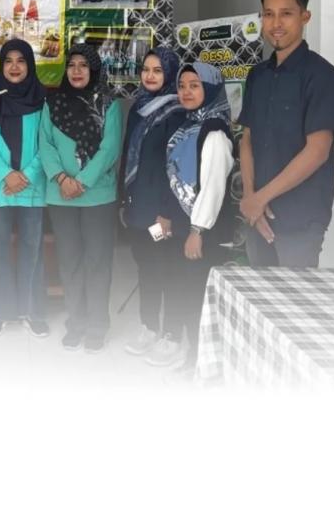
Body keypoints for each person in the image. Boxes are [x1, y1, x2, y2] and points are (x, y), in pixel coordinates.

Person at [239, 0, 334, 269]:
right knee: (256, 295)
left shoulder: (321, 75)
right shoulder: (257, 76)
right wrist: (250, 196)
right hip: (257, 215)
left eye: (286, 14)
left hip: (300, 219)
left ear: (305, 17)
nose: (276, 23)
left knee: (294, 298)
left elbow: (317, 151)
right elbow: (247, 139)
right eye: (268, 14)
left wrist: (261, 198)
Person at [39, 44, 124, 352]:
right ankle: (76, 321)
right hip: (61, 195)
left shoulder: (109, 104)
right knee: (70, 260)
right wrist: (63, 179)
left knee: (98, 260)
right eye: (72, 65)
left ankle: (97, 325)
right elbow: (45, 144)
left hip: (97, 195)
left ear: (94, 70)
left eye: (83, 65)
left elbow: (110, 148)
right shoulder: (53, 102)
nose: (76, 71)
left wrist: (82, 181)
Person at [152, 61, 235, 371]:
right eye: (182, 86)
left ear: (210, 89)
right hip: (179, 224)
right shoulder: (187, 126)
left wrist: (197, 231)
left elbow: (212, 187)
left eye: (194, 86)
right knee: (178, 284)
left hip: (201, 232)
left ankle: (198, 362)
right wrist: (165, 216)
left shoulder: (214, 132)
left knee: (197, 294)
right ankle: (181, 347)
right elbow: (174, 175)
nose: (186, 92)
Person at [0, 38, 48, 338]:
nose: (14, 67)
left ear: (30, 65)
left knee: (33, 248)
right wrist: (7, 174)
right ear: (1, 65)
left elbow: (47, 141)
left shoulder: (41, 97)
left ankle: (33, 311)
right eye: (8, 61)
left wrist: (26, 174)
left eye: (21, 61)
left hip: (31, 185)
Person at [119, 45, 183, 359]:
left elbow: (176, 167)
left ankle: (171, 334)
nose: (150, 75)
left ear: (169, 74)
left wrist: (167, 213)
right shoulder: (139, 108)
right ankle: (149, 327)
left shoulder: (177, 112)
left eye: (158, 70)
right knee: (145, 266)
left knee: (166, 267)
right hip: (138, 208)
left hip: (161, 214)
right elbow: (127, 156)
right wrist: (124, 201)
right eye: (146, 69)